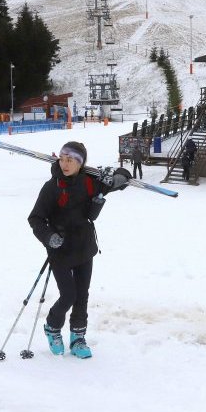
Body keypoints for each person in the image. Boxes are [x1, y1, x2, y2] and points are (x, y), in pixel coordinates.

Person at [27, 141, 131, 359]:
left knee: (82, 295)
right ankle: (52, 327)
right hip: (60, 249)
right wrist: (48, 237)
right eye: (62, 158)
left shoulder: (89, 182)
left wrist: (119, 177)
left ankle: (78, 337)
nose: (65, 164)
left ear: (80, 163)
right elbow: (35, 218)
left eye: (71, 160)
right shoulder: (52, 187)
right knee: (69, 295)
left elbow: (121, 179)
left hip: (84, 247)